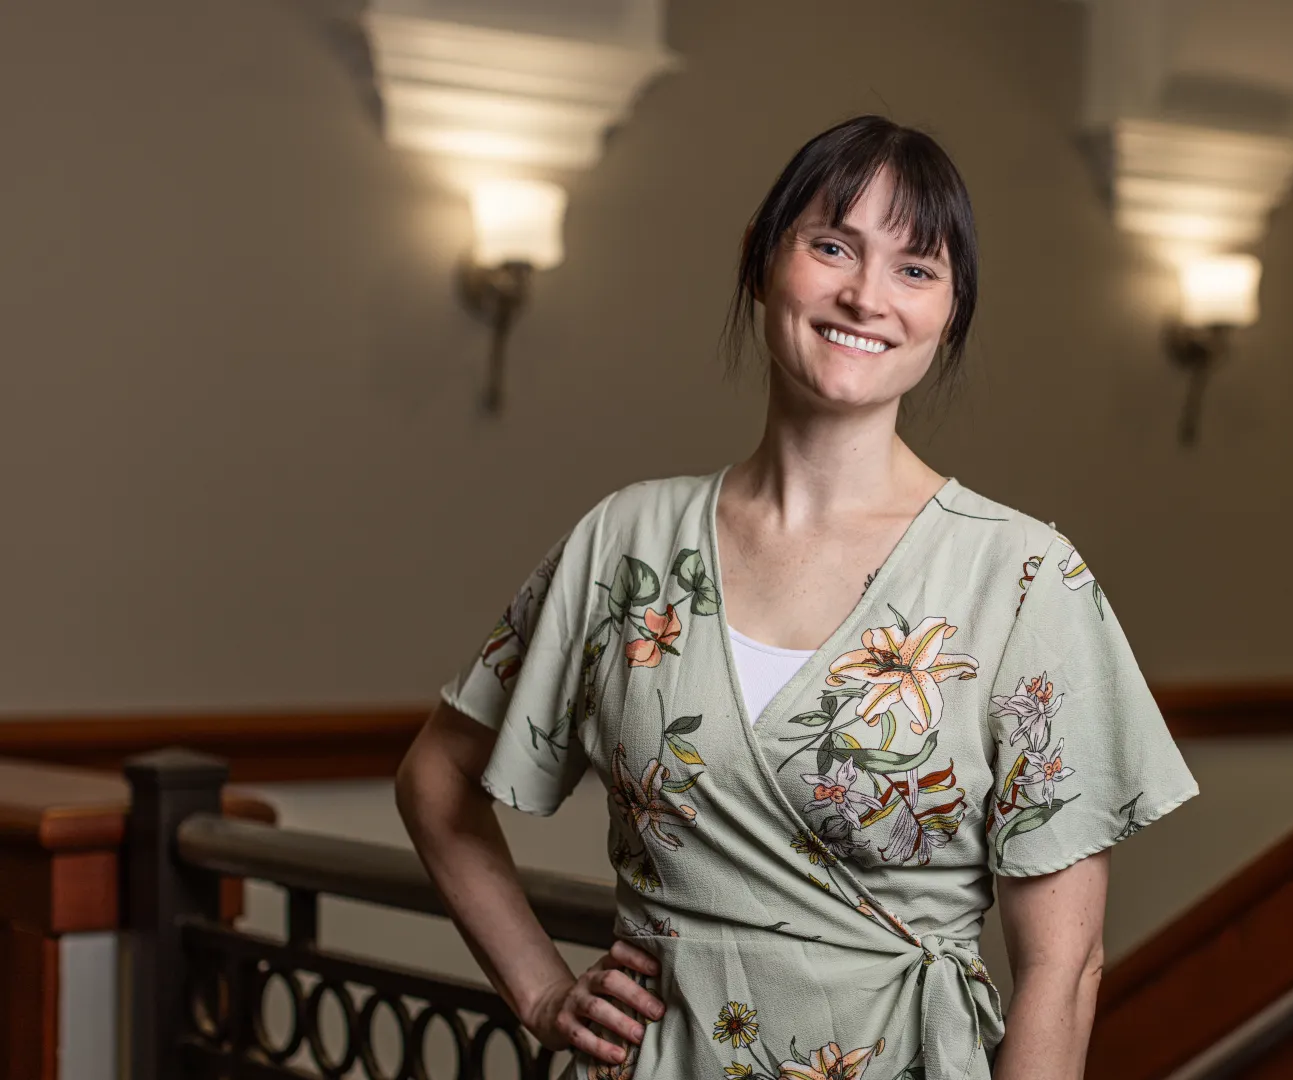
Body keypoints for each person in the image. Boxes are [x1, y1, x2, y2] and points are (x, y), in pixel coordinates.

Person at [396, 115, 1197, 1080]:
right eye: (831, 246)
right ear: (760, 261)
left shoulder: (1025, 578)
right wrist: (540, 991)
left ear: (951, 311)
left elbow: (1062, 967)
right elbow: (435, 783)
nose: (866, 295)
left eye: (916, 268)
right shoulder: (626, 544)